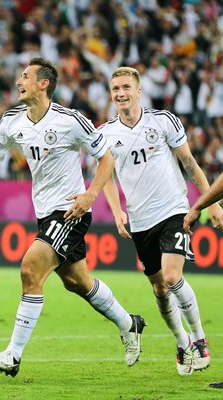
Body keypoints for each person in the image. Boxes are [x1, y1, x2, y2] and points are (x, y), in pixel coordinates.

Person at [0, 57, 144, 377]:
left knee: (30, 269)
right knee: (77, 282)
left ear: (43, 84)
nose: (18, 82)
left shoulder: (71, 121)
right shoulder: (13, 121)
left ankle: (12, 355)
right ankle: (129, 322)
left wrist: (90, 195)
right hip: (45, 213)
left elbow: (106, 159)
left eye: (25, 77)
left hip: (70, 210)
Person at [102, 66, 223, 376]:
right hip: (140, 222)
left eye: (126, 86)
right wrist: (117, 211)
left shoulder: (164, 120)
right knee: (159, 289)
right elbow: (104, 178)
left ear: (139, 91)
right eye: (116, 88)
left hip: (173, 210)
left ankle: (198, 338)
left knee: (171, 277)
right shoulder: (105, 134)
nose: (121, 93)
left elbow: (190, 164)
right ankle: (181, 342)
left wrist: (213, 205)